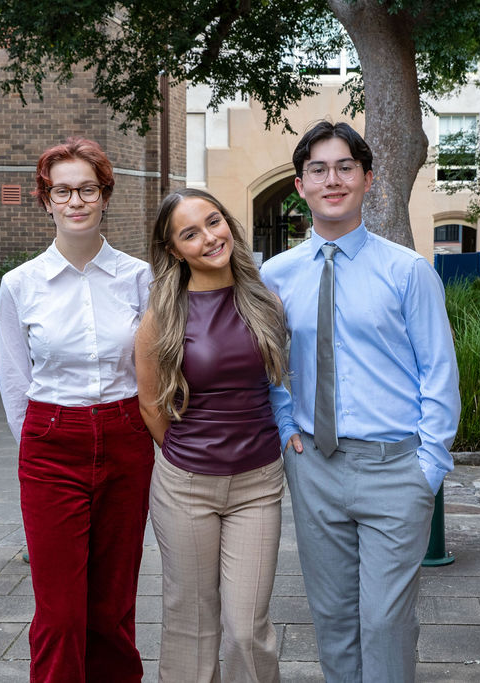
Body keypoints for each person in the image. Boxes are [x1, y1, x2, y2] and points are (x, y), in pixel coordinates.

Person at [260, 121, 461, 683]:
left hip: (395, 468)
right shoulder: (274, 277)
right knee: (333, 618)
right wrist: (284, 431)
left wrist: (429, 466)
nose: (332, 180)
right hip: (314, 467)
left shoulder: (407, 271)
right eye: (318, 170)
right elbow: (273, 367)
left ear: (367, 179)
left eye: (345, 167)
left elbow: (438, 372)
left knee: (383, 619)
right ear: (299, 185)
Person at [0, 137, 155, 682]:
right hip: (50, 442)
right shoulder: (20, 285)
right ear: (46, 201)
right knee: (61, 612)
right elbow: (16, 380)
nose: (76, 201)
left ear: (105, 195)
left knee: (111, 606)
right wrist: (38, 442)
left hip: (125, 436)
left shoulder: (139, 278)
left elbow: (154, 368)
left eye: (87, 188)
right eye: (62, 191)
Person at [134, 188, 288, 682]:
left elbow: (282, 384)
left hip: (258, 484)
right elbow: (151, 404)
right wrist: (186, 454)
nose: (209, 237)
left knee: (247, 628)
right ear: (174, 249)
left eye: (214, 221)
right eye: (190, 233)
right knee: (190, 624)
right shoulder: (163, 314)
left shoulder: (265, 299)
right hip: (186, 486)